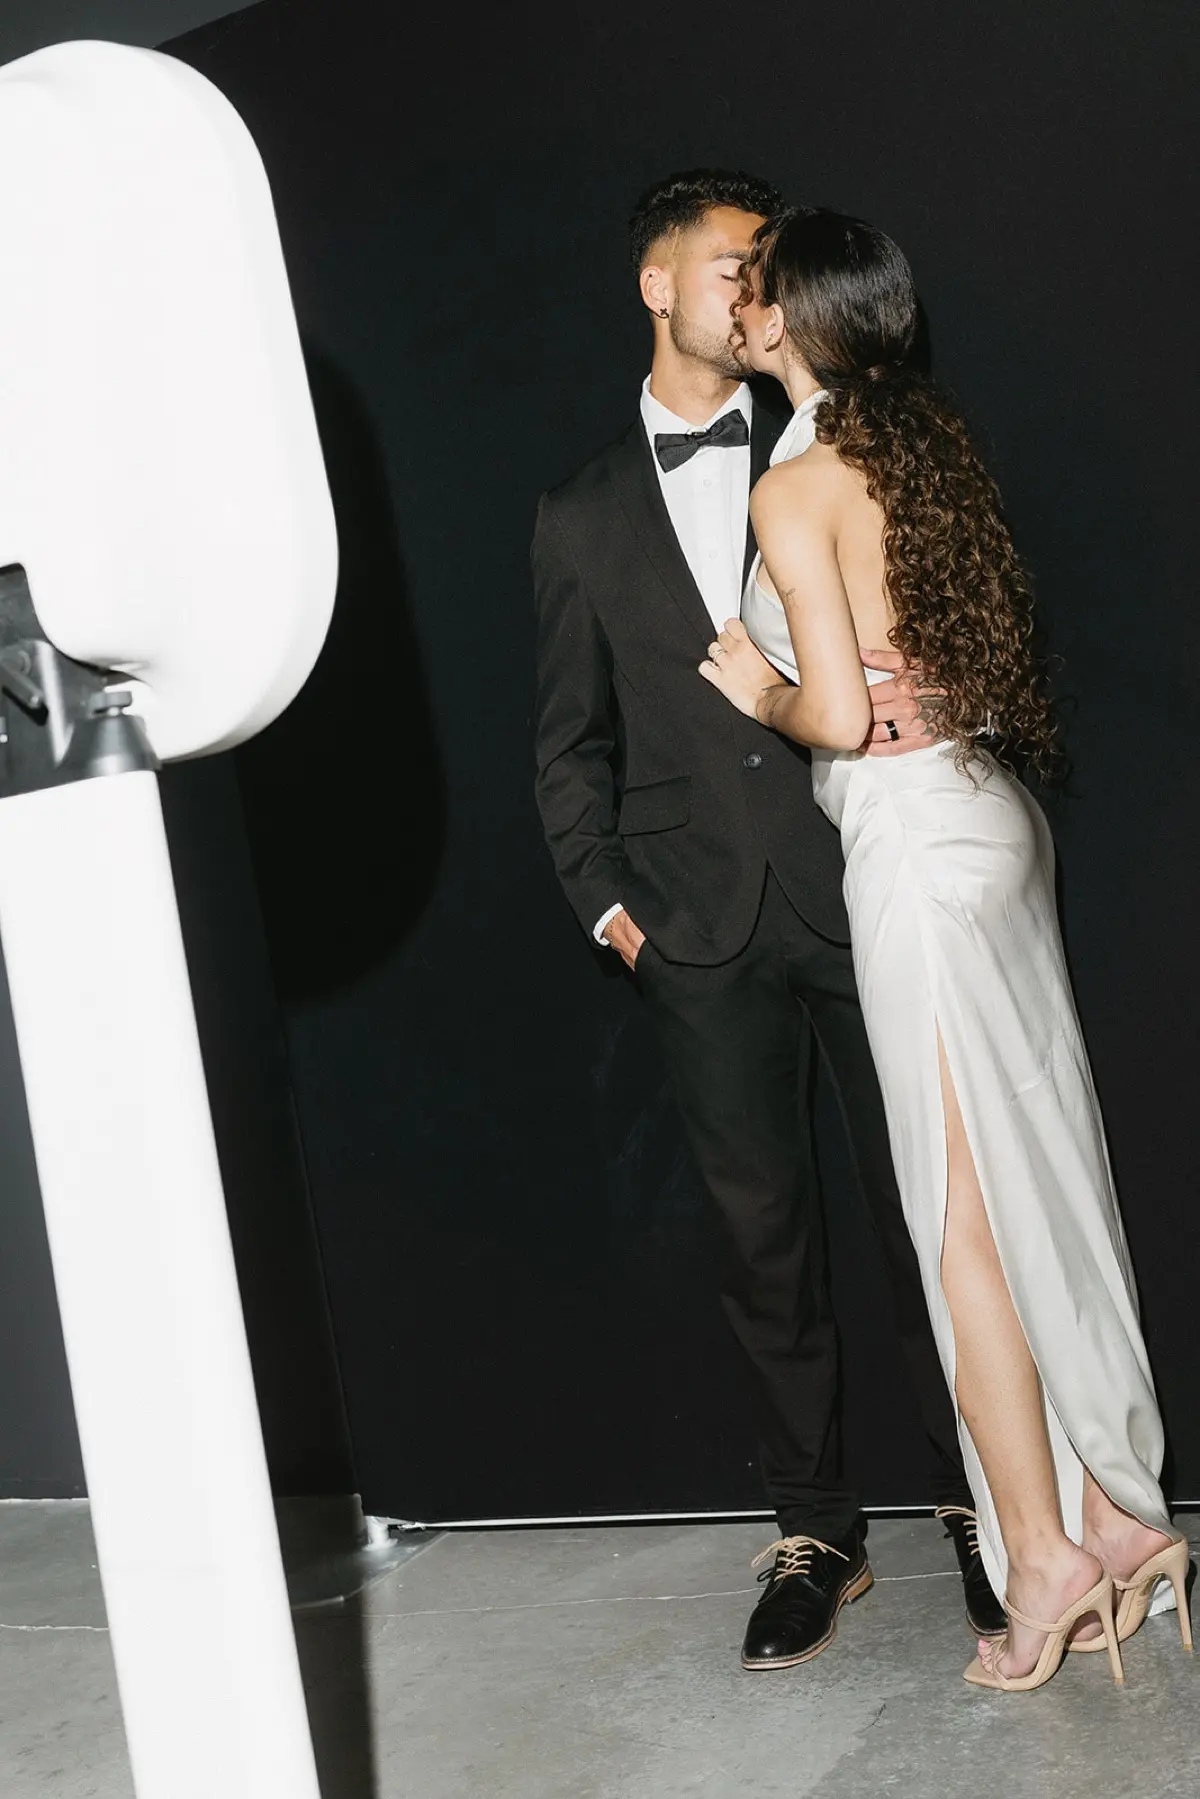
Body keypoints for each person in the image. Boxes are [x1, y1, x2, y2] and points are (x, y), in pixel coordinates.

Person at [700, 204, 1191, 1691]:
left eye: (753, 286)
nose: (738, 303)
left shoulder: (796, 485)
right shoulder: (921, 453)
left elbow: (840, 712)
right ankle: (1119, 1511)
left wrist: (755, 686)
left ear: (789, 318)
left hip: (916, 846)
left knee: (962, 1218)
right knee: (1044, 1176)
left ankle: (1042, 1558)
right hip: (988, 813)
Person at [532, 169, 1006, 1672]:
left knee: (931, 1210)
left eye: (767, 266)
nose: (754, 286)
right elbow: (568, 743)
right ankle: (816, 1528)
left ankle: (990, 1502)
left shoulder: (829, 440)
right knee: (764, 1244)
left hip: (862, 884)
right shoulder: (578, 512)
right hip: (693, 931)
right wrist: (611, 907)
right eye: (731, 261)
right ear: (656, 284)